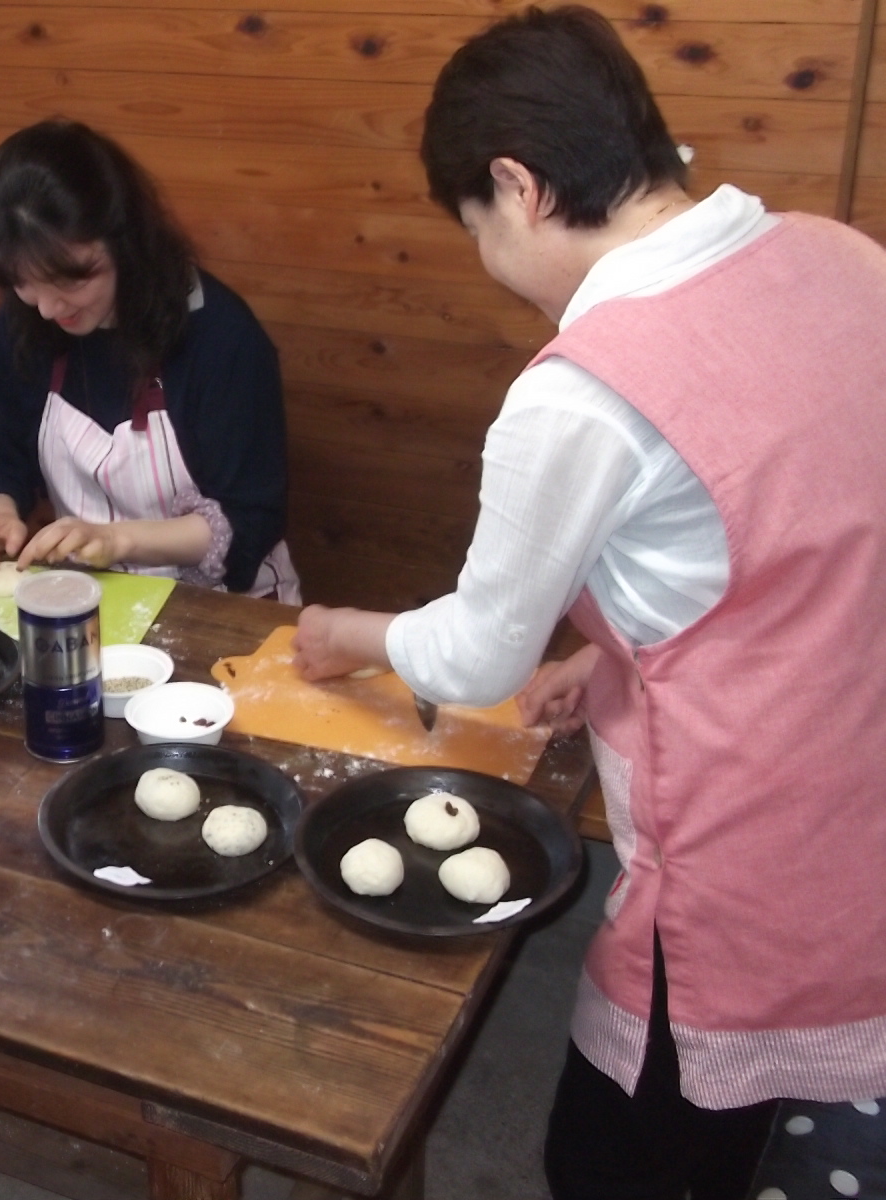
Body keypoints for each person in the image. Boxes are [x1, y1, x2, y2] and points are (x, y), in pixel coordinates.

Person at [290, 7, 886, 1199]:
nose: (490, 262)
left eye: (476, 229)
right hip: (859, 791)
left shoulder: (582, 390)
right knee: (731, 1127)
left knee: (618, 1163)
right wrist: (617, 651)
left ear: (518, 188)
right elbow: (786, 544)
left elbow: (476, 654)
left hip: (742, 851)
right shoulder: (838, 256)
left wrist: (351, 634)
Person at [0, 119, 300, 601]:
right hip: (88, 597)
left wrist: (118, 540)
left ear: (124, 242)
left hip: (224, 605)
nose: (47, 308)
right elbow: (2, 449)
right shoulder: (26, 323)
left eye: (70, 281)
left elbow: (250, 518)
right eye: (24, 283)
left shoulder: (221, 337)